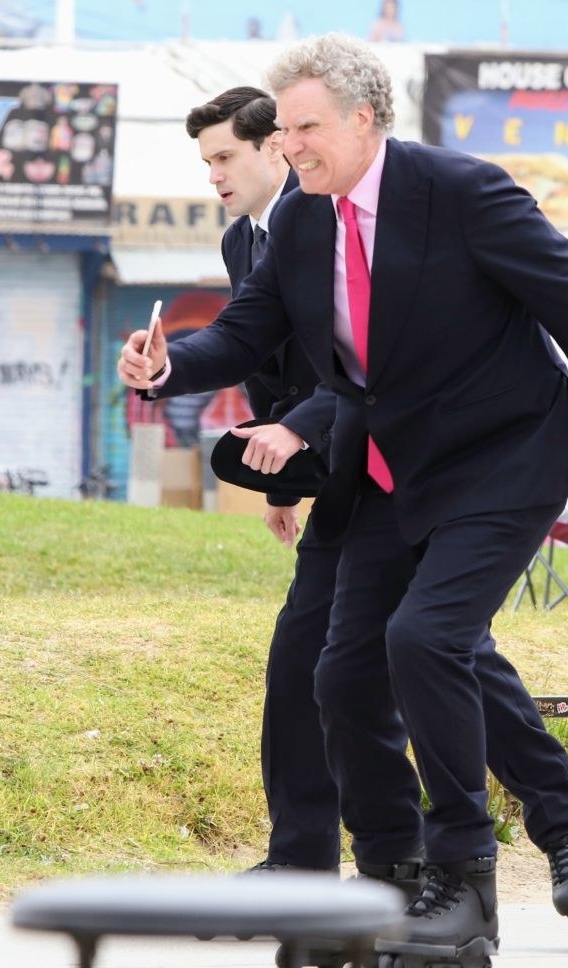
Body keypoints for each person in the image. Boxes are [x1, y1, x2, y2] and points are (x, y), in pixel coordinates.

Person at [119, 34, 568, 968]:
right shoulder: (303, 221)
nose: (289, 145)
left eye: (305, 127)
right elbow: (254, 328)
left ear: (364, 119)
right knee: (339, 675)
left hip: (504, 459)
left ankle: (465, 875)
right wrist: (171, 364)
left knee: (424, 640)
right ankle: (391, 877)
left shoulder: (461, 191)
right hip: (390, 469)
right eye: (283, 130)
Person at [184, 86, 342, 874]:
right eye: (205, 160)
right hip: (331, 464)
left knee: (441, 656)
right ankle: (301, 862)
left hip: (405, 463)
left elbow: (360, 363)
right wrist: (281, 478)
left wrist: (302, 433)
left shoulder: (334, 219)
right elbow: (255, 353)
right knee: (301, 659)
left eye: (223, 157)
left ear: (273, 147)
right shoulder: (240, 241)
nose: (212, 174)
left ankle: (551, 823)